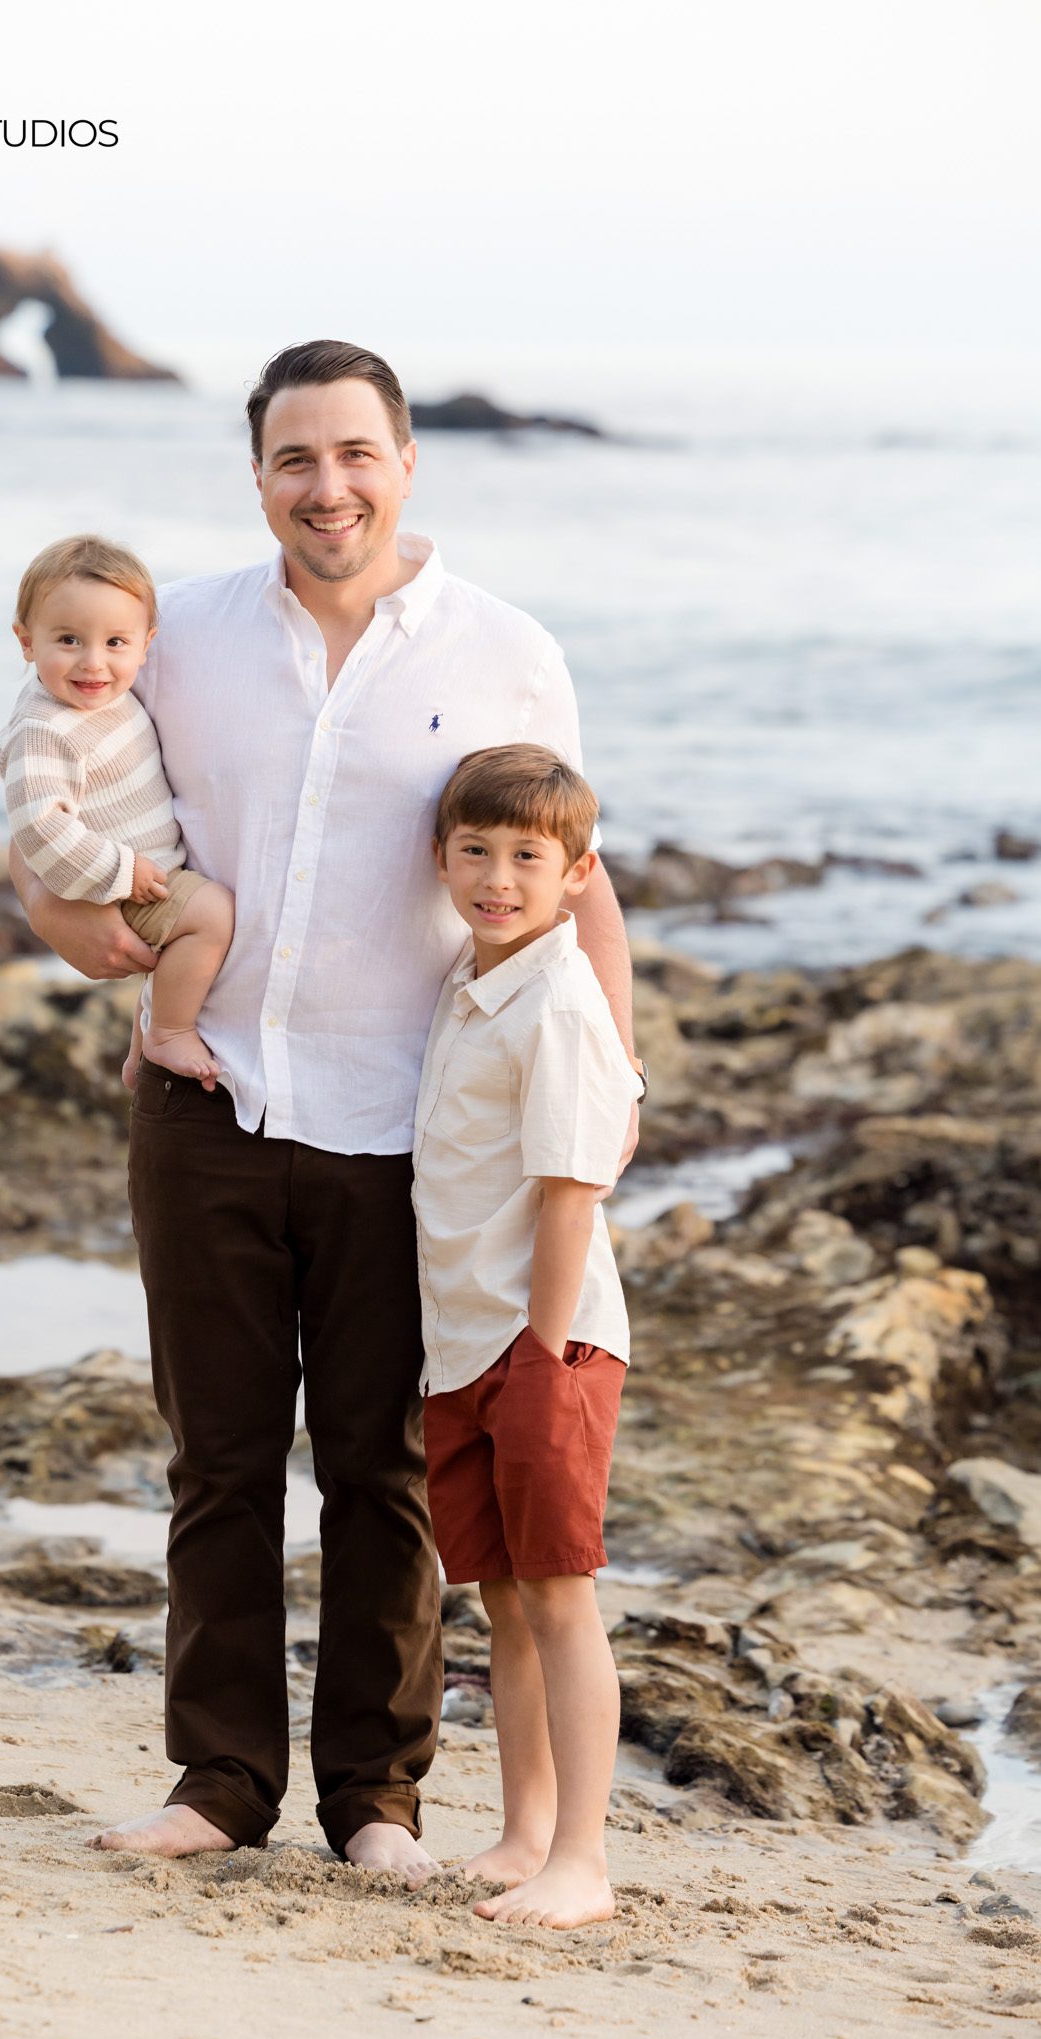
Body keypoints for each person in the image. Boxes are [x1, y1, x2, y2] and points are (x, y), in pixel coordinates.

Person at [6, 341, 644, 1881]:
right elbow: (58, 777)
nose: (327, 486)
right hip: (210, 1099)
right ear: (258, 476)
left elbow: (581, 881)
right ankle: (219, 1781)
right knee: (216, 1459)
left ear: (406, 462)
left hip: (412, 1132)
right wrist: (53, 915)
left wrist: (608, 1090)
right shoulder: (185, 632)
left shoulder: (503, 648)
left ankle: (377, 1802)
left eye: (355, 454)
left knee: (382, 1471)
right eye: (296, 458)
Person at [416, 744, 641, 1927]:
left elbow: (569, 1191)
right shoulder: (468, 974)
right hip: (462, 1341)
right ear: (441, 858)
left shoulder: (558, 1002)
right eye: (477, 851)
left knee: (559, 1597)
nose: (499, 876)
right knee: (501, 1596)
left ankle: (583, 1859)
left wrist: (543, 1361)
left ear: (575, 873)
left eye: (527, 858)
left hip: (539, 1344)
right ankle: (524, 1832)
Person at [0, 534, 233, 1086]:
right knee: (211, 915)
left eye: (115, 643)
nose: (93, 663)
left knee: (182, 942)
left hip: (145, 869)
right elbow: (40, 826)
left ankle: (143, 1051)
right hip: (119, 882)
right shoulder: (44, 729)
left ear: (147, 643)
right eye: (69, 640)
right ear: (26, 641)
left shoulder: (102, 698)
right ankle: (170, 1032)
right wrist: (120, 874)